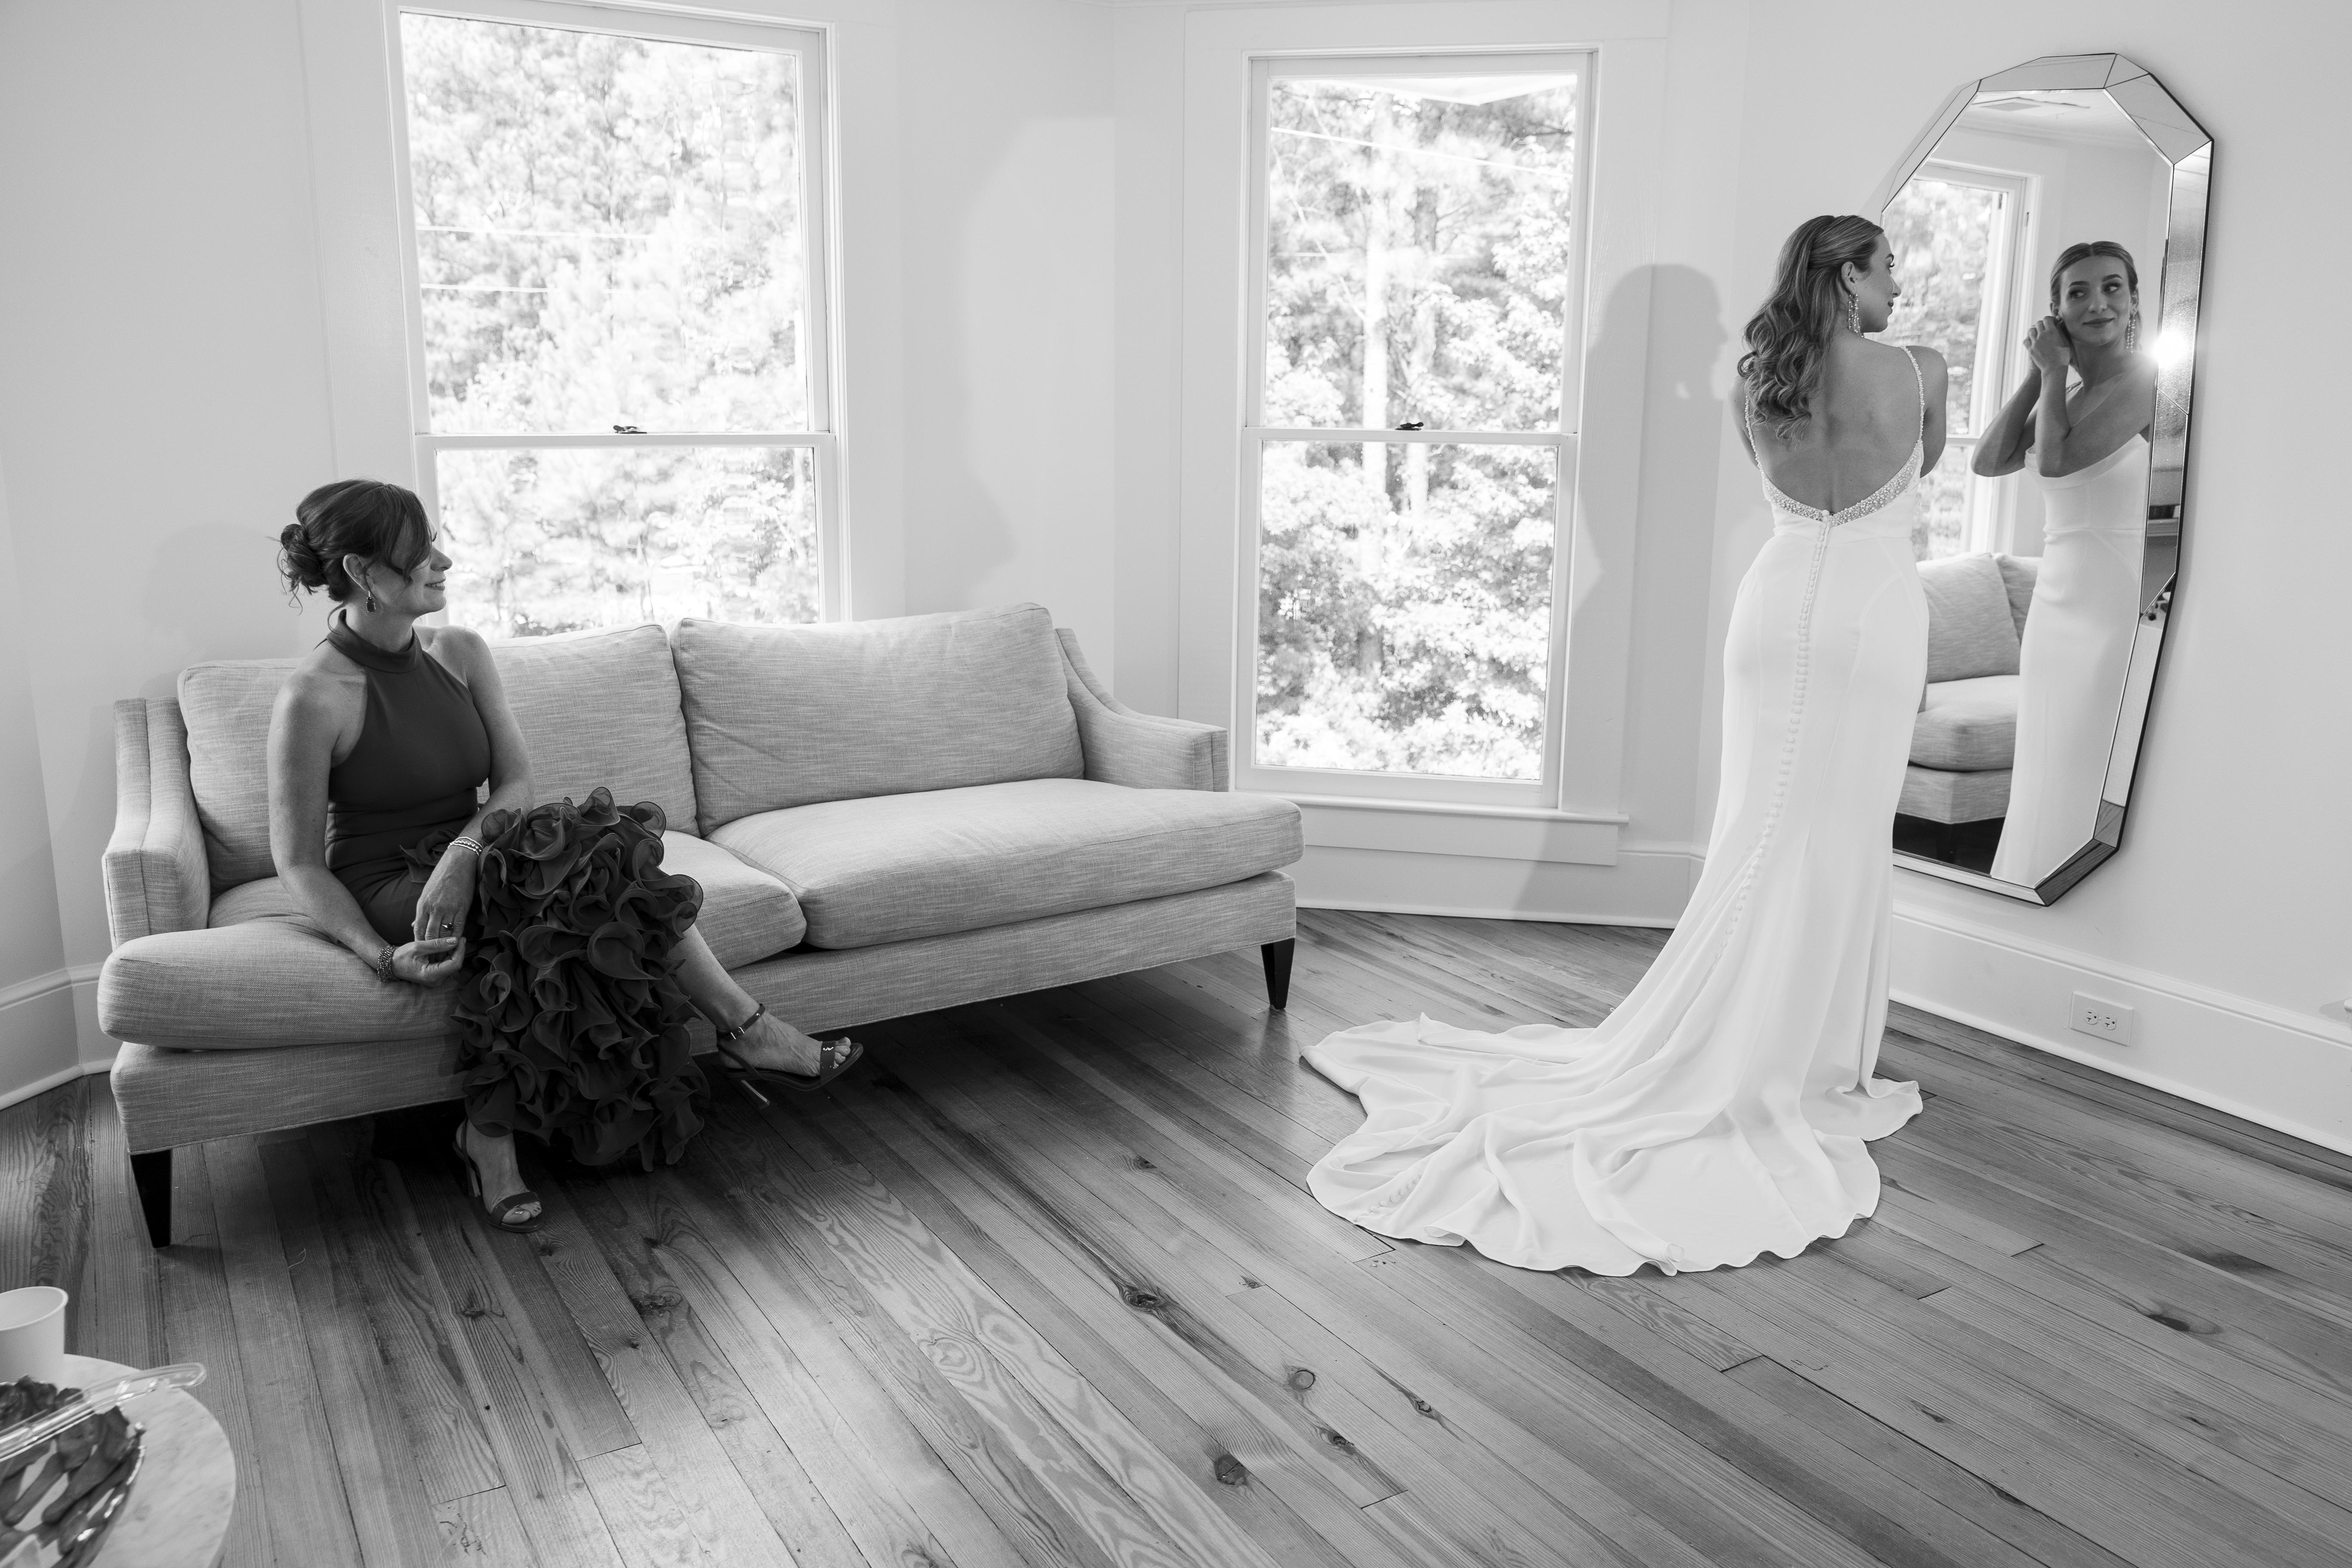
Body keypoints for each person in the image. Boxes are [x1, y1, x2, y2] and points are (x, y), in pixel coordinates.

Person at [1302, 216, 1941, 1274]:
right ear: (1848, 275)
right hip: (1874, 611)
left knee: (1757, 827)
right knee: (1839, 835)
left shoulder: (1755, 384)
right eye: (1888, 272)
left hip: (1774, 605)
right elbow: (1920, 471)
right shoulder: (1919, 370)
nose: (1898, 292)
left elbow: (1793, 488)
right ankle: (1811, 1059)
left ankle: (1746, 1035)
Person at [269, 480, 861, 1231]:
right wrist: (380, 956)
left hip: (476, 852)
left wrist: (463, 855)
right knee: (570, 881)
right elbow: (298, 863)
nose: (443, 562)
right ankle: (747, 1032)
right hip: (390, 881)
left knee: (589, 858)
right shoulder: (313, 696)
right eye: (420, 553)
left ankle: (489, 1138)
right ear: (363, 573)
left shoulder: (460, 651)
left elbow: (516, 782)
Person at [1971, 242, 2156, 886]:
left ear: (2134, 300)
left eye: (2112, 287)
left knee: (2090, 756)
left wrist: (2053, 372)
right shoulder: (2068, 391)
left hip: (2114, 605)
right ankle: (2031, 892)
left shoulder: (2151, 382)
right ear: (2057, 311)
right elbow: (1988, 461)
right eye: (2078, 292)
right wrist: (2039, 373)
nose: (2098, 303)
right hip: (2055, 609)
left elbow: (2055, 463)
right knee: (2045, 762)